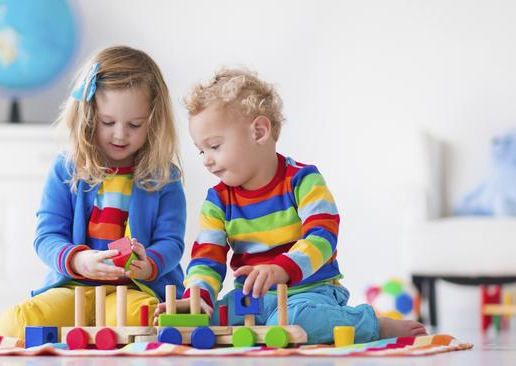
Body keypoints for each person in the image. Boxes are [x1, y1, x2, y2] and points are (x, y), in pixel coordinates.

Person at [155, 68, 426, 344]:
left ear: (259, 132)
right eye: (201, 150)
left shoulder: (302, 180)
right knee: (202, 319)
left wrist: (282, 269)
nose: (206, 160)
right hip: (252, 301)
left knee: (295, 319)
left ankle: (369, 324)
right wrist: (198, 296)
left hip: (309, 291)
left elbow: (323, 235)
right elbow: (207, 257)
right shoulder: (218, 200)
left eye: (214, 146)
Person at [0, 46, 186, 339]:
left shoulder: (164, 177)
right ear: (88, 116)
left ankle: (106, 330)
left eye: (134, 125)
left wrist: (149, 266)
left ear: (153, 122)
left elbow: (171, 241)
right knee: (15, 324)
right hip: (74, 287)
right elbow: (47, 237)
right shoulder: (66, 169)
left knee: (144, 318)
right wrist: (78, 261)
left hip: (133, 289)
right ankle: (97, 330)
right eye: (108, 122)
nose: (120, 134)